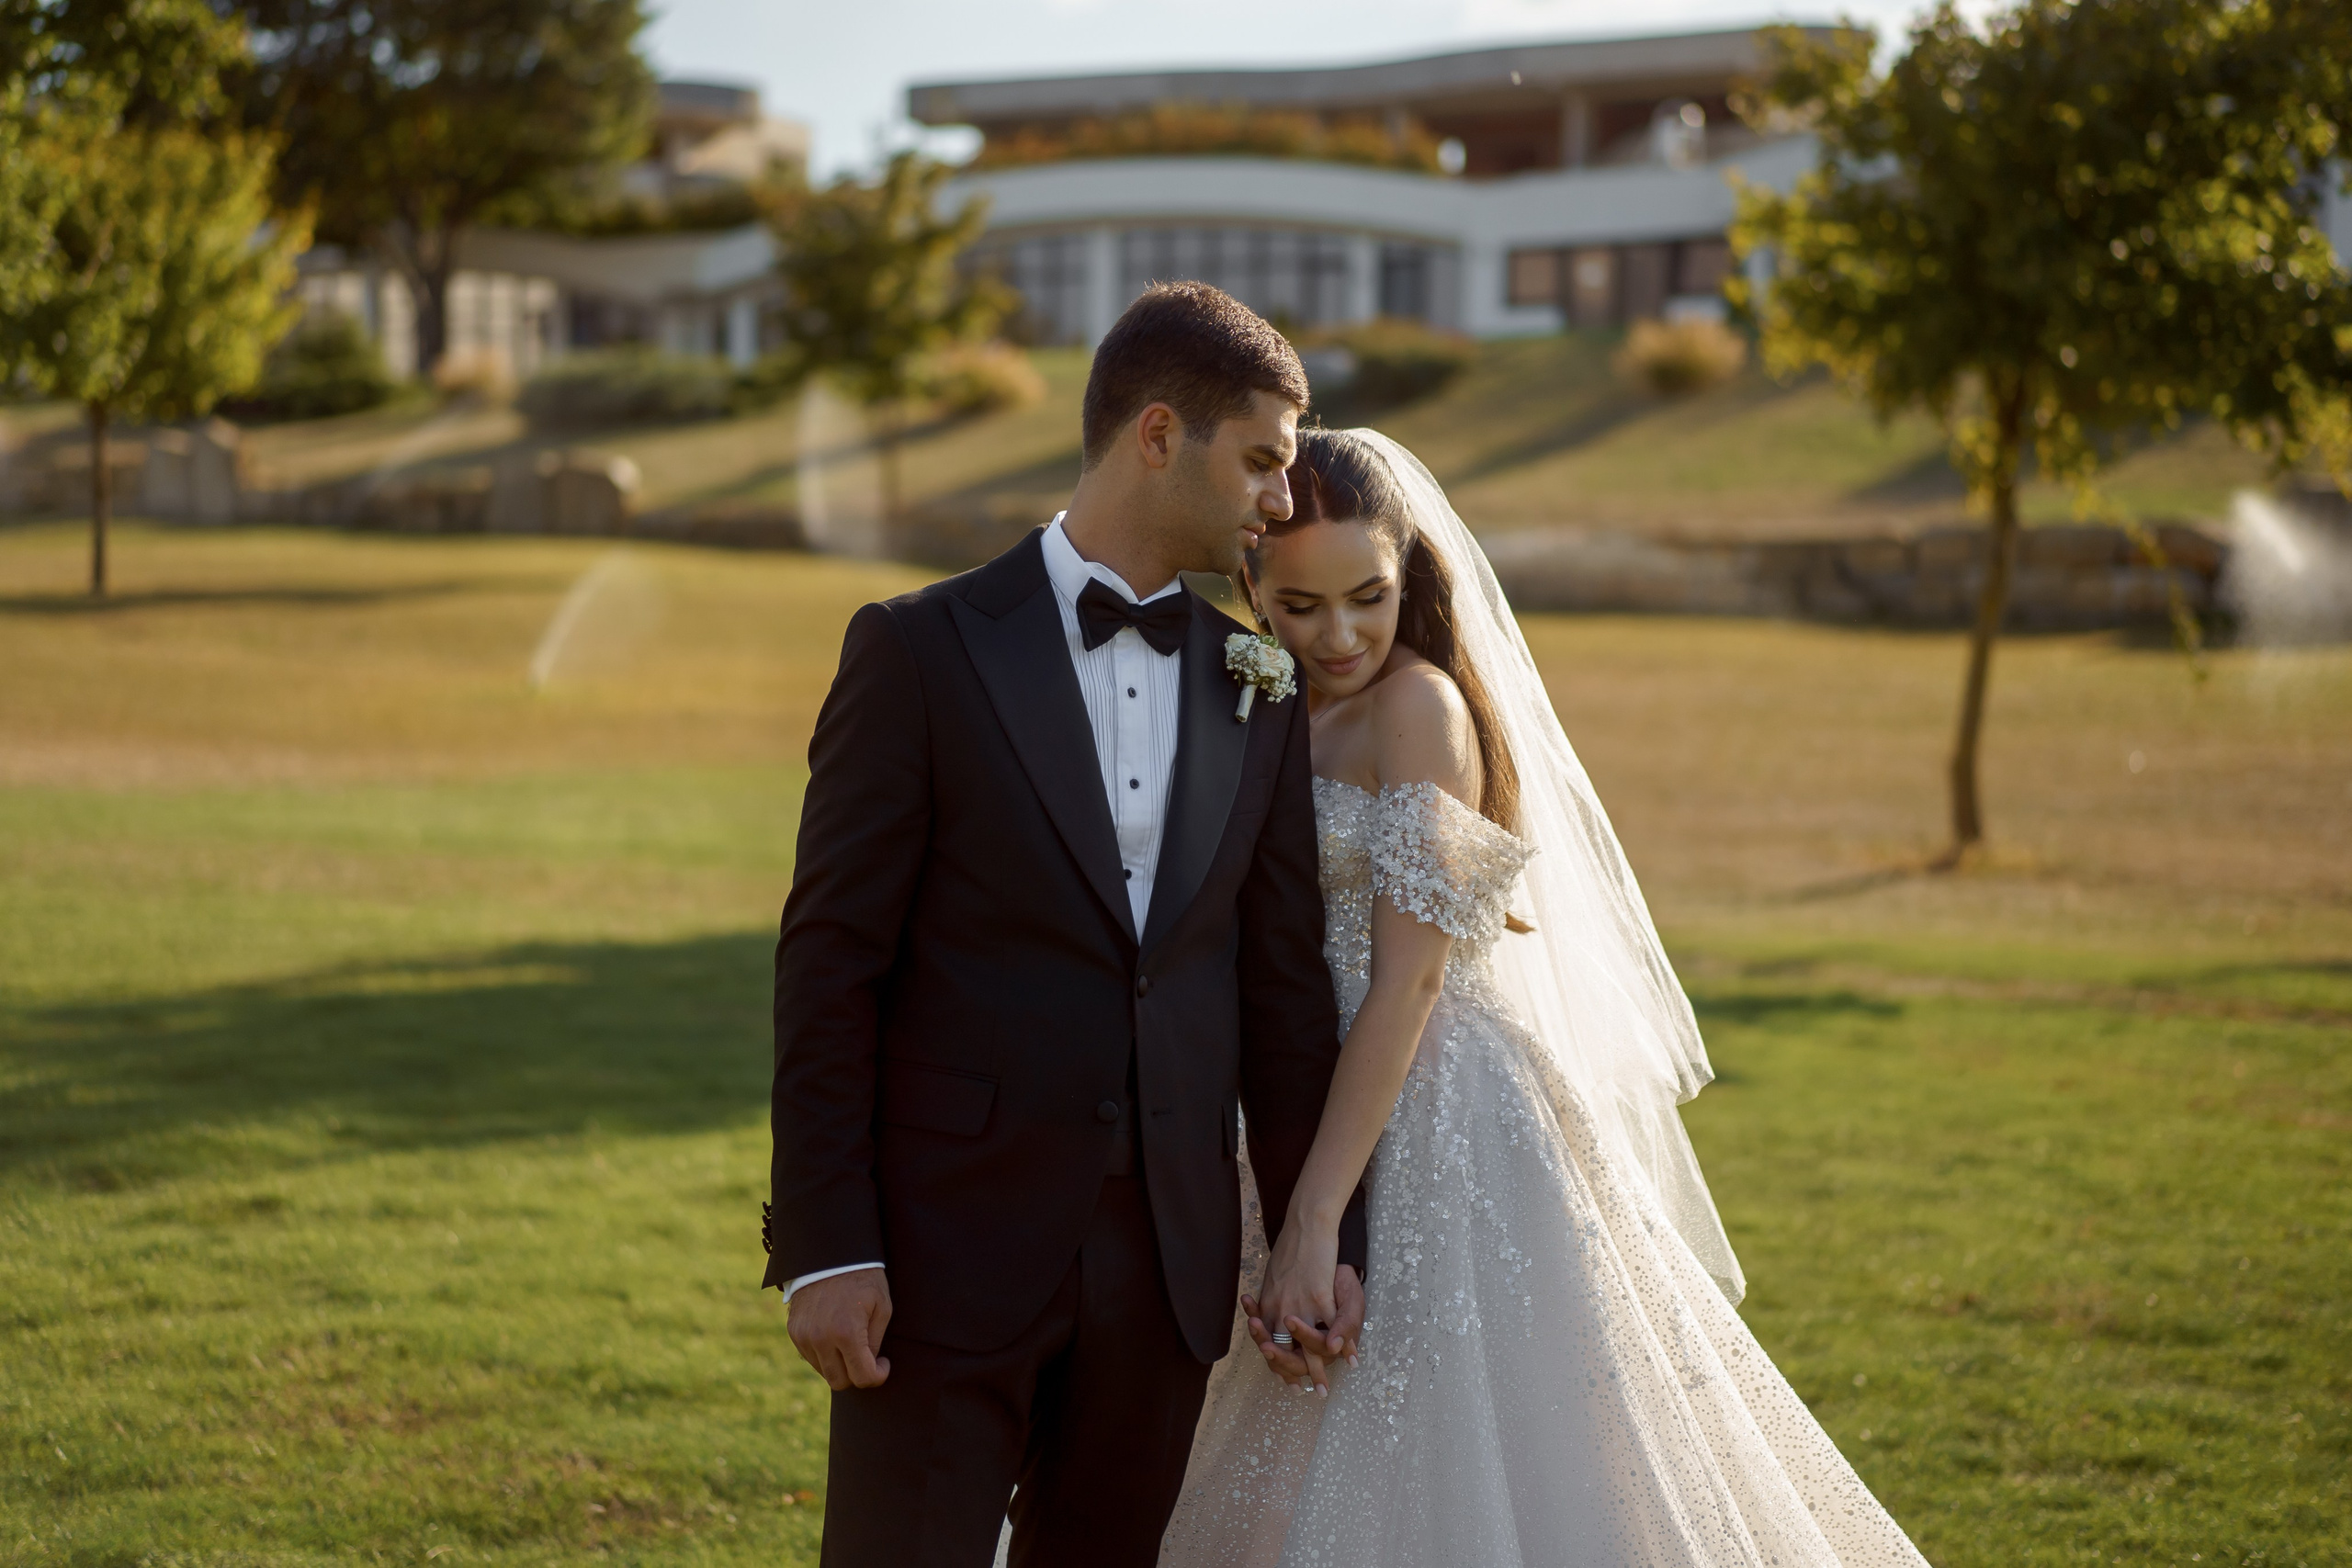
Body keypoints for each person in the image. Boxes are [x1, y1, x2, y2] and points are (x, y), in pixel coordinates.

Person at [1159, 429, 1932, 1567]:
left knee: (1458, 1454)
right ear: (1253, 588)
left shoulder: (1422, 709)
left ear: (1408, 572)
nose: (1337, 637)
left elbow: (1412, 977)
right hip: (1307, 1106)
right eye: (1299, 606)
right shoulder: (1272, 709)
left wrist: (1315, 1217)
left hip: (1438, 1112)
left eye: (1367, 597)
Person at [763, 282, 1367, 1568]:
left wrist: (1327, 1236)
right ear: (1159, 434)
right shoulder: (919, 650)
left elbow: (1283, 998)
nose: (1280, 498)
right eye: (1261, 459)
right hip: (939, 1254)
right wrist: (827, 1245)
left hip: (1164, 1274)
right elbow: (831, 965)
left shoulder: (1256, 681)